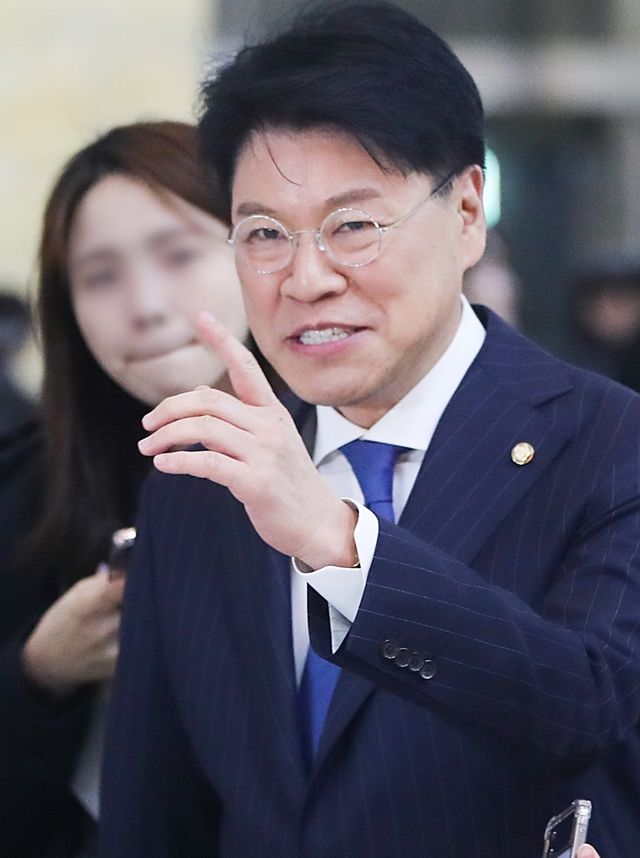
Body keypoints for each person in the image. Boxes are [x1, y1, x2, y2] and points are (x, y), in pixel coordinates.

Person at [100, 4, 639, 857]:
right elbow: (151, 810)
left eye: (353, 225)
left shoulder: (609, 443)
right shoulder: (206, 471)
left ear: (467, 212)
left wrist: (339, 545)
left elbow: (588, 705)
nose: (306, 278)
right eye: (265, 233)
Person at [0, 120, 248, 857]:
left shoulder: (365, 461)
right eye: (100, 276)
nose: (144, 304)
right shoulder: (27, 492)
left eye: (179, 254)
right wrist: (39, 671)